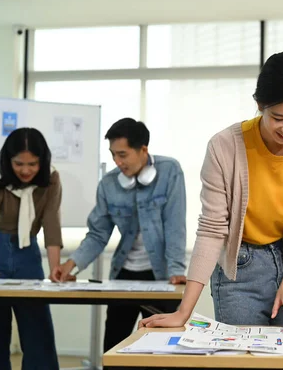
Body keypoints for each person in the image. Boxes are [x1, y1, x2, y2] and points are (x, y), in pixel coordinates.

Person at [139, 51, 283, 329]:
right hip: (239, 268)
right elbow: (211, 230)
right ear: (259, 104)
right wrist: (183, 311)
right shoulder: (224, 146)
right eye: (278, 117)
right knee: (241, 358)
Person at [53, 118, 187, 357]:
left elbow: (175, 224)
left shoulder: (170, 171)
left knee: (160, 352)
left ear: (143, 150)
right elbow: (98, 233)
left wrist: (176, 270)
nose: (117, 161)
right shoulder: (109, 184)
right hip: (123, 275)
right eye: (113, 155)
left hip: (162, 276)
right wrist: (71, 264)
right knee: (115, 349)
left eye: (123, 154)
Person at [0, 127, 63, 370]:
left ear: (42, 161)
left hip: (27, 252)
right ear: (8, 160)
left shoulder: (51, 179)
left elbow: (51, 223)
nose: (25, 170)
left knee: (38, 329)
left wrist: (55, 267)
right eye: (18, 163)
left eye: (33, 164)